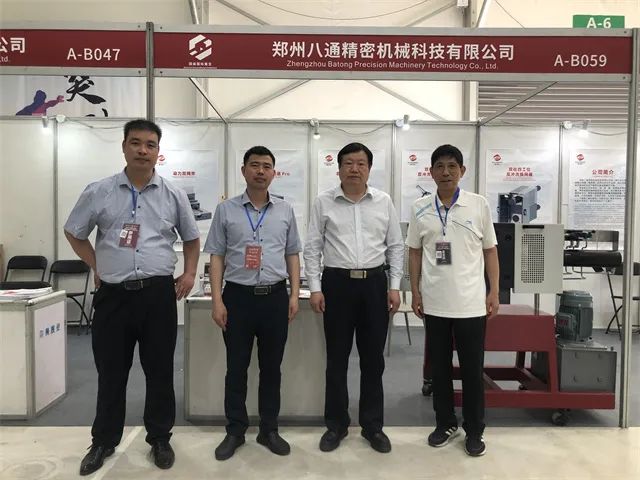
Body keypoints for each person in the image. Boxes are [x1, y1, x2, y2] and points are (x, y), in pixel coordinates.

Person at [64, 119, 200, 475]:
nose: (143, 150)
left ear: (158, 151)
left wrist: (189, 273)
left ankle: (160, 438)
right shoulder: (100, 191)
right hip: (113, 297)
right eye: (136, 143)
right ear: (124, 146)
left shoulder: (173, 194)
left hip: (158, 296)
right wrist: (98, 264)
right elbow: (74, 231)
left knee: (160, 371)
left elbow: (191, 238)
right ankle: (104, 441)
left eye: (150, 144)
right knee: (111, 373)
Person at [304, 142, 403, 454]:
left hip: (374, 285)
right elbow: (312, 247)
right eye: (348, 163)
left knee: (373, 361)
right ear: (338, 169)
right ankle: (336, 425)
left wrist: (394, 286)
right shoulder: (324, 202)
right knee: (336, 359)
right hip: (337, 286)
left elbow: (395, 246)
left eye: (361, 163)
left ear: (369, 169)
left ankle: (373, 426)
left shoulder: (383, 201)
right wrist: (315, 287)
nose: (354, 169)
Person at [205, 146, 301, 461]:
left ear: (274, 172)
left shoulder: (285, 210)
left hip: (274, 298)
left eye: (267, 166)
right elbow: (217, 256)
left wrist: (293, 294)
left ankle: (268, 429)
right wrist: (217, 300)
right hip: (238, 298)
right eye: (255, 165)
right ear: (244, 170)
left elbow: (292, 253)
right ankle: (235, 430)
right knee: (236, 368)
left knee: (272, 368)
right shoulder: (226, 210)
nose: (261, 171)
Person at [406, 144, 499, 457]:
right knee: (440, 369)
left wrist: (493, 291)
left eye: (452, 166)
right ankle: (445, 423)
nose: (445, 172)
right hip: (434, 303)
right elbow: (414, 252)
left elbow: (490, 251)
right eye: (439, 166)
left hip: (471, 303)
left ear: (462, 171)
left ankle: (474, 430)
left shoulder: (478, 204)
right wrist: (415, 291)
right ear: (431, 172)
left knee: (472, 370)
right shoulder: (420, 207)